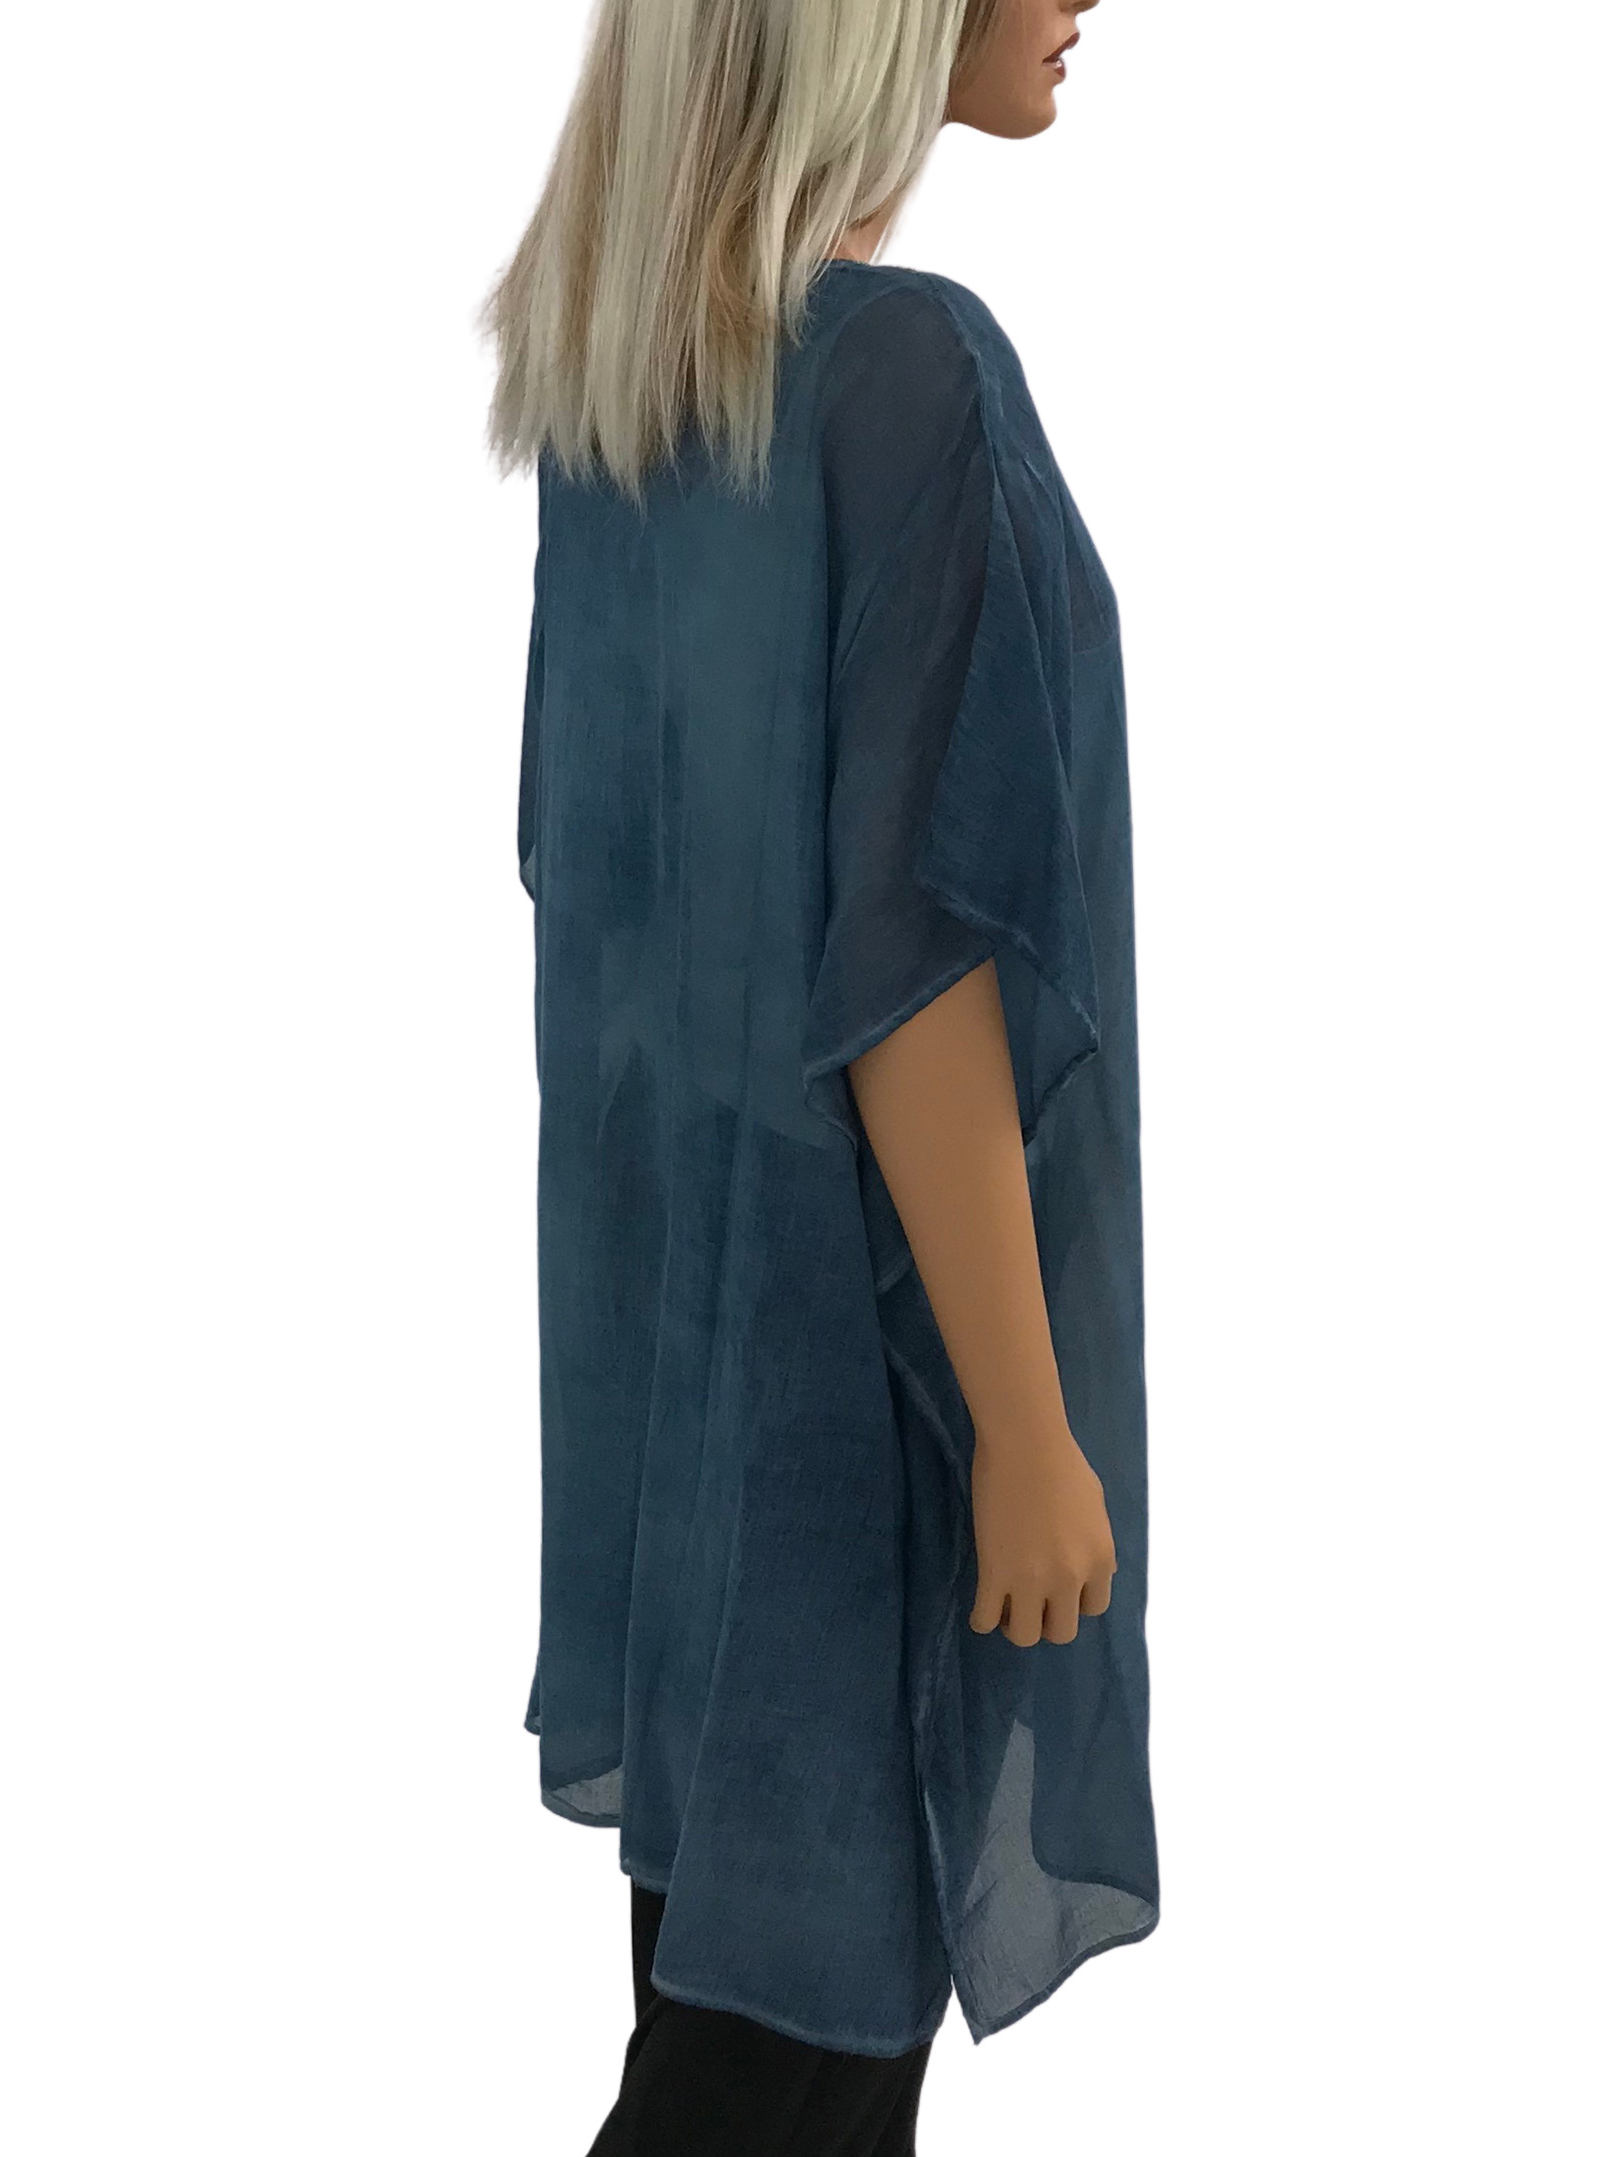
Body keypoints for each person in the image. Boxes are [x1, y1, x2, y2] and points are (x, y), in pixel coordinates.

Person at [478, 1, 1158, 2147]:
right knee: (789, 2089)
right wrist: (1025, 1426)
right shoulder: (904, 377)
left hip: (682, 1436)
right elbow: (914, 973)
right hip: (855, 1439)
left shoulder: (634, 407)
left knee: (737, 2046)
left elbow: (613, 937)